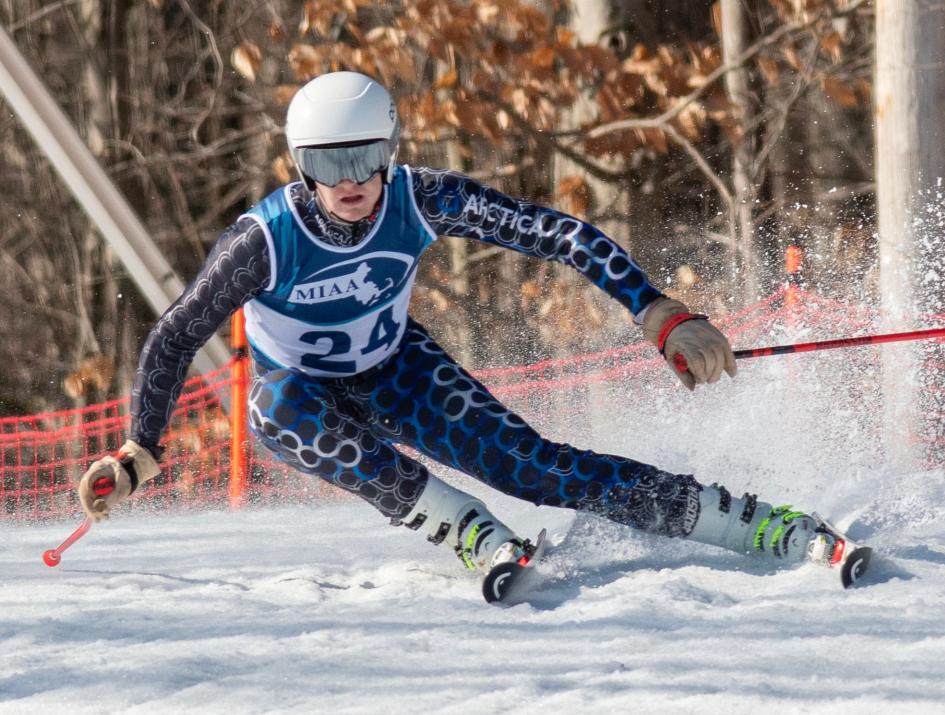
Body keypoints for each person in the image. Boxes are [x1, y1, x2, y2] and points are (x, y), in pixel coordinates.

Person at [78, 72, 844, 583]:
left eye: (367, 156)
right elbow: (176, 333)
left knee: (537, 469)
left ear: (392, 150)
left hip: (397, 369)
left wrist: (657, 309)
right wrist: (141, 447)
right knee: (273, 411)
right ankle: (470, 532)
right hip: (304, 393)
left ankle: (749, 523)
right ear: (299, 164)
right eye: (329, 162)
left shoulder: (421, 197)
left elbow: (556, 233)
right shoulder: (264, 239)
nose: (351, 182)